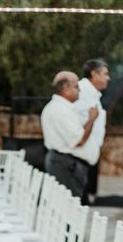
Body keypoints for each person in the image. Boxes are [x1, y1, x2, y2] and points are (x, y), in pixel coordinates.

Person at [41, 71, 99, 198]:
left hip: (65, 164)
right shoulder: (60, 109)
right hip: (66, 166)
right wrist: (92, 119)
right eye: (76, 87)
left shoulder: (61, 107)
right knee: (69, 209)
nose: (79, 90)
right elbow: (79, 140)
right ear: (66, 89)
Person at [75, 59, 110, 204]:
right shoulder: (81, 92)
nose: (108, 78)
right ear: (94, 74)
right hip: (79, 156)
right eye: (105, 74)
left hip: (88, 155)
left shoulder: (93, 94)